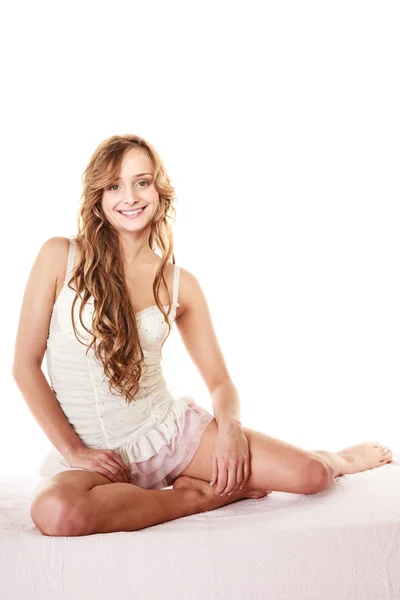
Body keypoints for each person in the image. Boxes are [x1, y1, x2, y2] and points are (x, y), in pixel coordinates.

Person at [12, 134, 393, 537]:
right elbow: (24, 365)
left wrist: (229, 429)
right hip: (94, 455)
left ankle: (343, 459)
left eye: (141, 182)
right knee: (56, 513)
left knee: (312, 474)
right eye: (114, 185)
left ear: (158, 190)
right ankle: (198, 498)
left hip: (168, 434)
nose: (130, 196)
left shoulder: (179, 284)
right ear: (98, 197)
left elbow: (219, 380)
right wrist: (75, 451)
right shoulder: (60, 256)